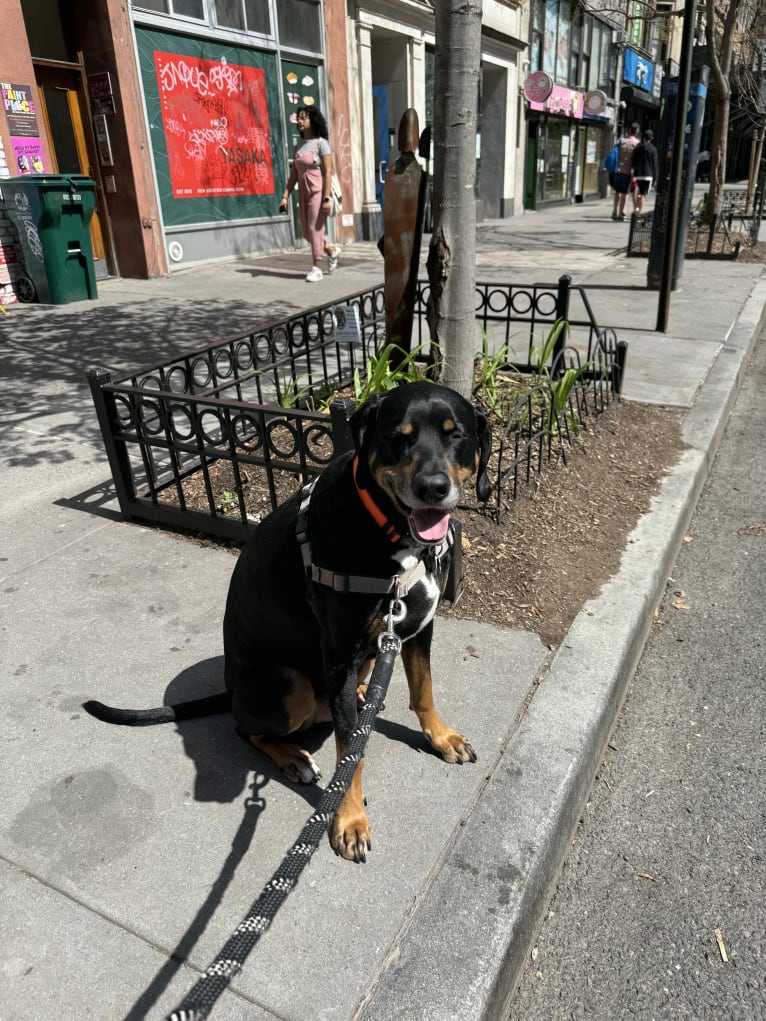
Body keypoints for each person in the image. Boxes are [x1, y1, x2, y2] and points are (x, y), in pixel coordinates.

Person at [279, 106, 340, 283]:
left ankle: (317, 268)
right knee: (306, 232)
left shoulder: (321, 143)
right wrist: (285, 196)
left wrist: (326, 198)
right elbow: (294, 175)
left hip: (318, 192)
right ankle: (330, 250)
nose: (299, 121)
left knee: (315, 229)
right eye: (298, 118)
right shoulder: (298, 145)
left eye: (303, 118)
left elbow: (328, 172)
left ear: (312, 120)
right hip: (303, 194)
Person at [612, 122, 641, 221]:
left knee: (617, 191)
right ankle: (621, 213)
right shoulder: (637, 143)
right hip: (628, 171)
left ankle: (615, 209)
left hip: (618, 169)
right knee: (625, 193)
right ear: (637, 131)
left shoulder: (621, 141)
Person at [631, 129, 658, 215]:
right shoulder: (653, 149)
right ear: (651, 138)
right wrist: (655, 179)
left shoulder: (638, 147)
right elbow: (654, 165)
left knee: (638, 192)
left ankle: (636, 209)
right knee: (643, 194)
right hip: (648, 175)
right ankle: (638, 213)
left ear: (643, 137)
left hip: (638, 174)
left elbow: (633, 160)